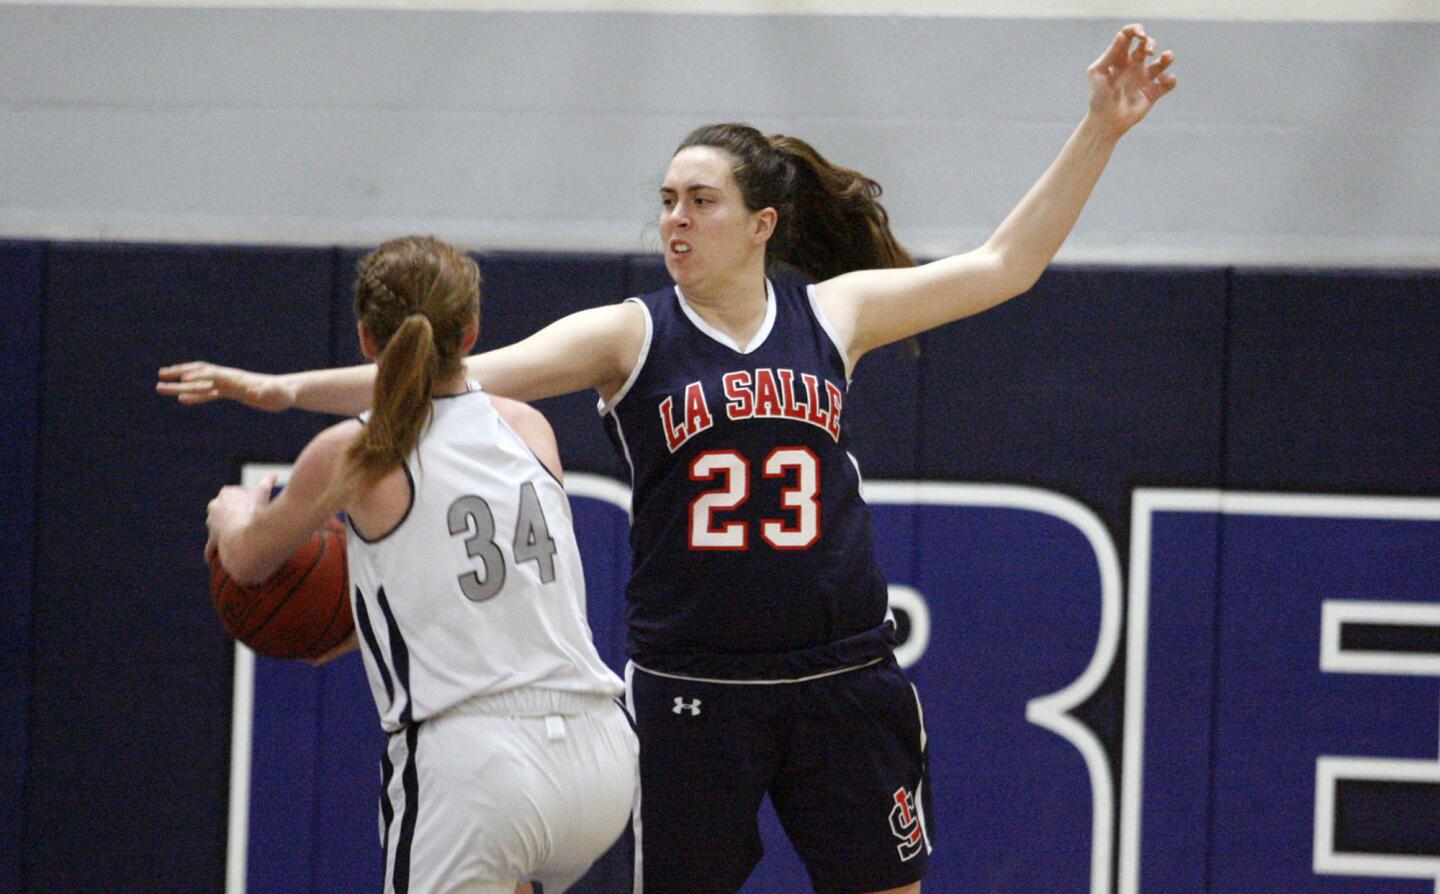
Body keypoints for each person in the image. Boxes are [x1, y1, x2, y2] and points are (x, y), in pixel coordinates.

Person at [163, 26, 1176, 894]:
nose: (675, 220)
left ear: (761, 223)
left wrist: (1101, 127)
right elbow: (453, 374)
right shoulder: (627, 336)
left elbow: (1007, 265)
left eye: (700, 201)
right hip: (696, 685)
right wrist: (279, 391)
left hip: (843, 670)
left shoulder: (835, 313)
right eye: (666, 200)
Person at [202, 236, 638, 894]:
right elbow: (491, 590)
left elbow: (250, 560)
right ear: (472, 330)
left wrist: (229, 510)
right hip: (602, 755)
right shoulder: (526, 425)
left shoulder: (358, 448)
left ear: (366, 338)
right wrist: (363, 625)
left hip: (481, 766)